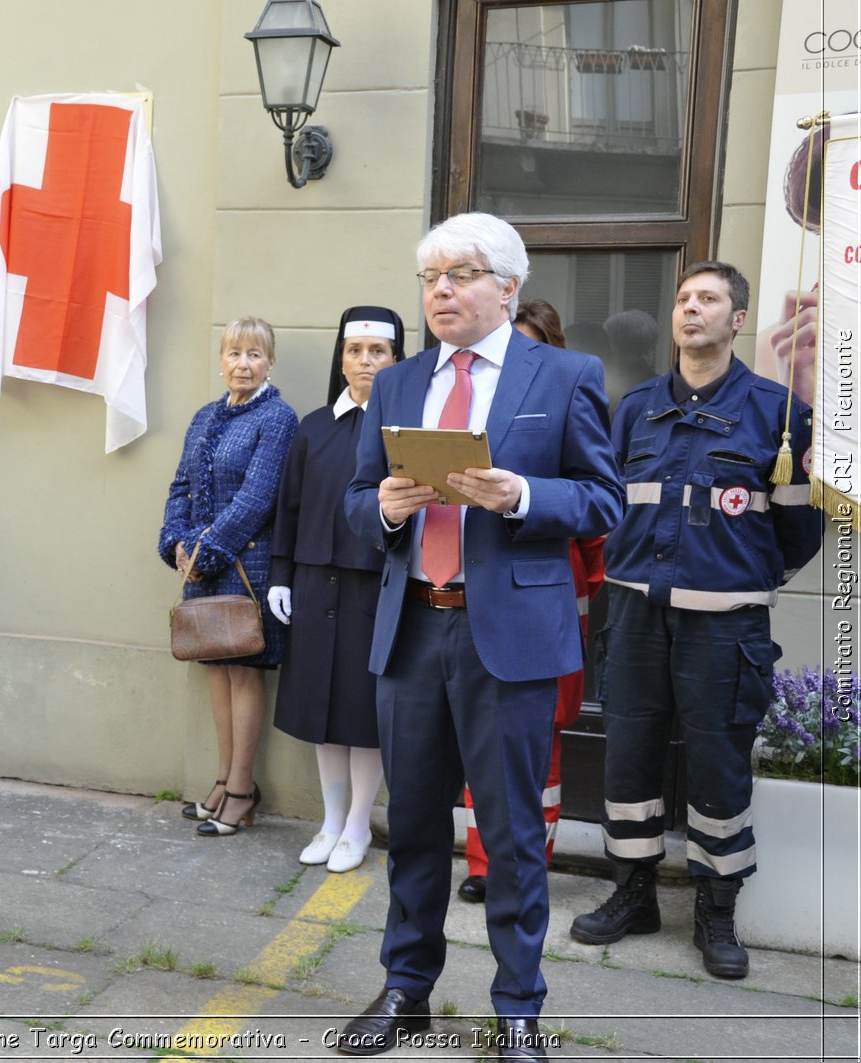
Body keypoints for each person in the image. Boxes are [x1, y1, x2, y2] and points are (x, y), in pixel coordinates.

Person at [341, 213, 622, 1060]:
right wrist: (383, 510)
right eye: (430, 276)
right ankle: (405, 989)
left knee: (509, 835)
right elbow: (357, 503)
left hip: (510, 637)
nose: (440, 291)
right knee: (415, 824)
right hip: (414, 630)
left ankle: (518, 1010)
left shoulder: (565, 375)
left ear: (506, 286)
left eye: (459, 274)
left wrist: (523, 498)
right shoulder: (398, 383)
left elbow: (603, 503)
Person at [570, 261, 824, 980]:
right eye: (683, 298)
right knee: (630, 754)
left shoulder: (778, 413)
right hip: (635, 616)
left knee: (718, 765)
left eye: (708, 299)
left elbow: (799, 531)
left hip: (725, 627)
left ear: (737, 319)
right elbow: (608, 504)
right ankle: (634, 893)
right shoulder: (636, 406)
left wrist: (736, 582)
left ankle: (716, 911)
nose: (691, 309)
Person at [456, 299, 606, 904]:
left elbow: (596, 530)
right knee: (477, 739)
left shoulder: (569, 400)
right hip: (478, 597)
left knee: (539, 745)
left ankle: (527, 863)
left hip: (548, 603)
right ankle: (482, 861)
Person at [268, 306, 404, 871]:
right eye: (354, 351)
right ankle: (329, 820)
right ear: (340, 358)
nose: (364, 362)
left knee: (362, 712)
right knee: (321, 711)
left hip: (374, 588)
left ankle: (357, 826)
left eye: (377, 352)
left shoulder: (402, 430)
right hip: (312, 583)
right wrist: (280, 574)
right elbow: (288, 508)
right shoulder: (313, 427)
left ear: (396, 359)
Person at [159, 317, 298, 838]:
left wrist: (206, 549)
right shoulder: (203, 416)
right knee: (215, 671)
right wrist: (175, 541)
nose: (243, 363)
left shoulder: (278, 418)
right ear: (221, 360)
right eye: (234, 353)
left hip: (249, 566)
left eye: (254, 355)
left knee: (244, 672)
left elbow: (259, 498)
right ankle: (223, 780)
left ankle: (242, 790)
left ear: (270, 363)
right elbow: (180, 485)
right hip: (200, 565)